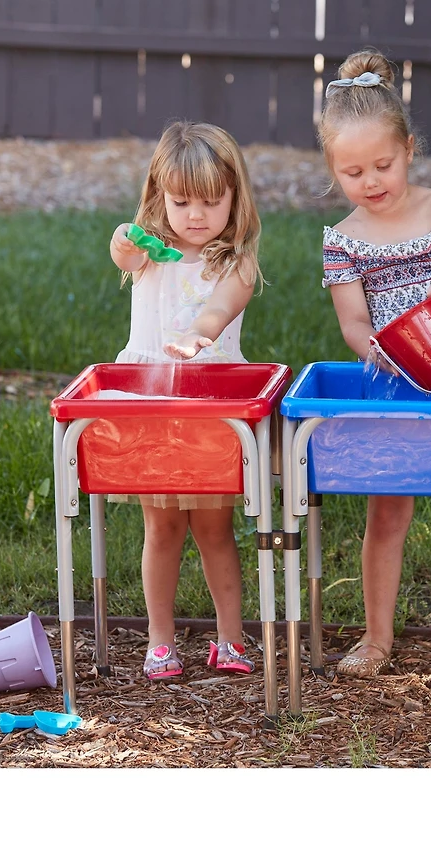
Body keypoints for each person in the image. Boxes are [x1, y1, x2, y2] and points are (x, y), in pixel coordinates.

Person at [318, 49, 431, 683]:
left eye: (383, 165)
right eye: (353, 171)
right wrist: (374, 348)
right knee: (387, 513)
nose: (371, 181)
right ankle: (377, 636)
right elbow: (352, 321)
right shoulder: (342, 239)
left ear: (409, 149)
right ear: (334, 169)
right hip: (393, 386)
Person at [109, 120, 263, 681]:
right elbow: (123, 254)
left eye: (211, 201)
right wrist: (124, 240)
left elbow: (219, 308)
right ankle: (160, 640)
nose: (196, 215)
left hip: (211, 406)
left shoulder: (237, 262)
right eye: (181, 202)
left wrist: (199, 334)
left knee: (215, 529)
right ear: (160, 196)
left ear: (234, 198)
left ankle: (229, 637)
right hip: (154, 404)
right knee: (162, 528)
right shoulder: (152, 252)